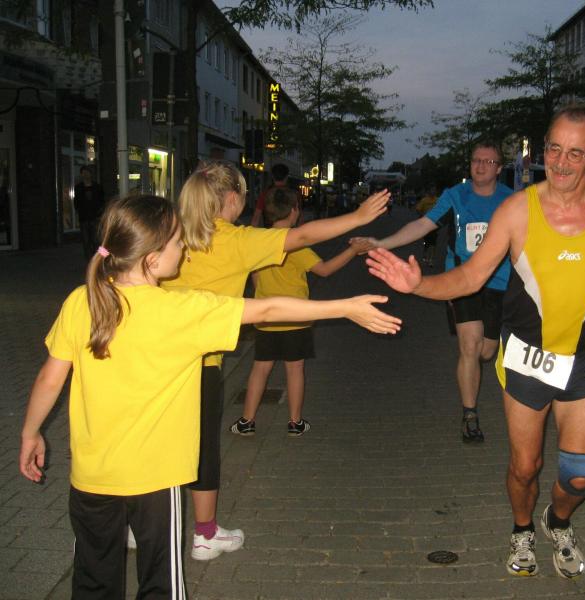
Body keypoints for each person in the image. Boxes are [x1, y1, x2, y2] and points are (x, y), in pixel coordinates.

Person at [18, 195, 400, 599]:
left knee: (93, 580)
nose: (184, 247)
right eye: (177, 241)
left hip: (91, 478)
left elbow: (49, 378)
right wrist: (345, 307)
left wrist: (30, 433)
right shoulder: (182, 311)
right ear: (152, 258)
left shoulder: (83, 300)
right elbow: (267, 311)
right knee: (160, 583)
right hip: (155, 480)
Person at [366, 102, 585, 579]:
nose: (561, 163)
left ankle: (557, 521)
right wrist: (418, 285)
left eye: (575, 153)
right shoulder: (518, 210)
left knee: (579, 475)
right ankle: (522, 528)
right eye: (554, 149)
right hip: (526, 357)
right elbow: (470, 277)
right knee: (526, 467)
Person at [161, 161, 390, 561]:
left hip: (153, 355)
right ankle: (204, 535)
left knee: (158, 440)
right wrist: (356, 217)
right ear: (231, 199)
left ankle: (138, 522)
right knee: (201, 450)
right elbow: (301, 236)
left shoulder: (171, 232)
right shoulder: (235, 239)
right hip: (199, 364)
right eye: (243, 196)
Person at [355, 142, 513, 443]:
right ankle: (470, 415)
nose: (480, 166)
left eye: (488, 161)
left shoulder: (512, 200)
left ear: (499, 168)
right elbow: (422, 225)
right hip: (461, 280)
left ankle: (479, 366)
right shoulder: (455, 196)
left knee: (486, 351)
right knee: (470, 346)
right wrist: (381, 243)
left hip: (499, 282)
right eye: (476, 160)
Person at [230, 188, 373, 437]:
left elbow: (254, 278)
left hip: (265, 317)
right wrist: (352, 251)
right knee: (295, 369)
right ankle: (295, 423)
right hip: (297, 318)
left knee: (260, 368)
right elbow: (325, 270)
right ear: (294, 211)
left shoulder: (258, 241)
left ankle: (247, 421)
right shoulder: (294, 245)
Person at [73, 165, 105, 260]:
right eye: (83, 173)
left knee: (97, 241)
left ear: (91, 174)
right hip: (84, 218)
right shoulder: (78, 188)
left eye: (87, 172)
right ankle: (90, 260)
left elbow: (102, 201)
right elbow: (76, 202)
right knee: (86, 241)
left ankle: (103, 257)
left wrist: (99, 213)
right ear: (81, 175)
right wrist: (79, 211)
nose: (85, 175)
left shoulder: (97, 187)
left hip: (95, 218)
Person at [252, 163, 294, 227]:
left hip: (270, 231)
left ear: (272, 177)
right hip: (289, 231)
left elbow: (256, 218)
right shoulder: (294, 195)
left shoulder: (265, 194)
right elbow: (299, 218)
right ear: (287, 177)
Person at [414, 187, 439, 266]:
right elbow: (417, 209)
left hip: (434, 224)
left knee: (433, 243)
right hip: (426, 224)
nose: (433, 192)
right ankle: (425, 253)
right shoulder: (424, 200)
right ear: (429, 191)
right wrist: (423, 216)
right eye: (432, 190)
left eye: (434, 190)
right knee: (427, 242)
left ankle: (431, 260)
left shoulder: (438, 200)